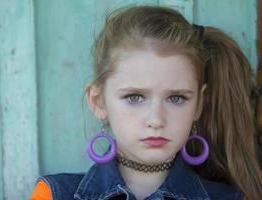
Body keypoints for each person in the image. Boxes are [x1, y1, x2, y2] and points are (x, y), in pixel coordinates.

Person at [30, 5, 262, 200]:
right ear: (98, 101)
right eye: (134, 97)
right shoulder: (55, 194)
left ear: (199, 105)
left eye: (176, 98)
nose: (156, 120)